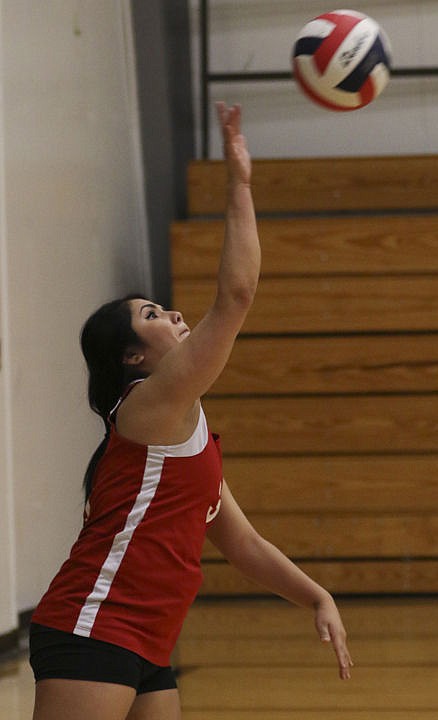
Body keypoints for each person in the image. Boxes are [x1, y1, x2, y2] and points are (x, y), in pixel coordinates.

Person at [29, 102, 353, 720]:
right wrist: (239, 184)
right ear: (131, 359)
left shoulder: (189, 431)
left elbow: (243, 543)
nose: (175, 316)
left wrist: (317, 596)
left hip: (147, 637)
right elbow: (236, 295)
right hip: (93, 625)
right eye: (153, 316)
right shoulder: (147, 409)